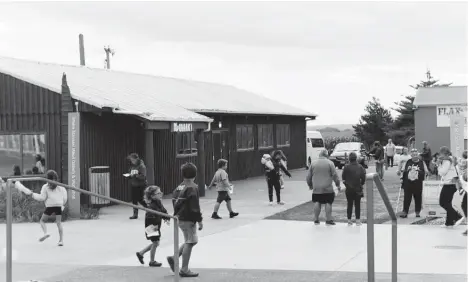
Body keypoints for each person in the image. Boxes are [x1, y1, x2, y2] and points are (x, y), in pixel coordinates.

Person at [167, 162, 203, 278]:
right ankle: (184, 269)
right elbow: (194, 206)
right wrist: (199, 220)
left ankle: (174, 257)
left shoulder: (179, 187)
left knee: (190, 240)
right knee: (191, 241)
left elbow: (173, 200)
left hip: (179, 217)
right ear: (195, 174)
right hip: (188, 218)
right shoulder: (192, 187)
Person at [17, 170, 68, 246]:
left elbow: (42, 198)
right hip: (58, 205)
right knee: (59, 223)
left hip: (50, 206)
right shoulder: (61, 186)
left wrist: (33, 194)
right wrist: (62, 205)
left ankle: (46, 233)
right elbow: (65, 198)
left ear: (47, 178)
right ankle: (61, 241)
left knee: (42, 221)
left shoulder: (46, 186)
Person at [136, 186, 169, 267]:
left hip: (155, 226)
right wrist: (157, 221)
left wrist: (166, 217)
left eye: (161, 192)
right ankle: (152, 261)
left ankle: (141, 253)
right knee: (155, 243)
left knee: (156, 243)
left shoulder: (158, 203)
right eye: (158, 193)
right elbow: (150, 217)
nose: (161, 194)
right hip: (151, 227)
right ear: (152, 196)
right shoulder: (151, 206)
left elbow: (163, 211)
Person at [306, 149, 341, 226]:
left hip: (316, 187)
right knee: (328, 202)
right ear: (326, 155)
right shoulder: (330, 163)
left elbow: (308, 176)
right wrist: (338, 184)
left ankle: (316, 219)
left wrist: (310, 185)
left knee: (317, 201)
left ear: (320, 155)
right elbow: (335, 175)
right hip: (327, 187)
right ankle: (328, 219)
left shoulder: (313, 163)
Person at [438, 147, 463, 227]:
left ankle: (457, 216)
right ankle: (449, 222)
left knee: (443, 202)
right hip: (454, 183)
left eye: (440, 153)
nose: (440, 155)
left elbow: (442, 173)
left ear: (444, 153)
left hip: (449, 183)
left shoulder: (446, 161)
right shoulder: (453, 159)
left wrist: (439, 164)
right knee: (448, 203)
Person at [399, 148, 428, 218]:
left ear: (418, 155)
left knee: (418, 198)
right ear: (411, 155)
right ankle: (405, 212)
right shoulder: (408, 162)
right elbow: (403, 170)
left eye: (416, 154)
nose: (415, 156)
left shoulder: (422, 162)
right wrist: (401, 177)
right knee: (407, 198)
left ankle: (417, 212)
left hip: (418, 183)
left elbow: (426, 171)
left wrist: (420, 172)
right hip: (408, 183)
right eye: (413, 154)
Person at [342, 152, 366, 226]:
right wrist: (361, 184)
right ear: (356, 158)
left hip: (349, 188)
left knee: (349, 204)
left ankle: (349, 220)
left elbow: (343, 178)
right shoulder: (360, 167)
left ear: (349, 158)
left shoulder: (346, 167)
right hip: (357, 188)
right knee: (357, 204)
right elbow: (363, 178)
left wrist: (346, 185)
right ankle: (358, 220)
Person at [126, 153, 148, 219]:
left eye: (132, 160)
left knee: (140, 199)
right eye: (131, 160)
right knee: (134, 200)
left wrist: (136, 176)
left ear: (136, 159)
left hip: (141, 185)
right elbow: (131, 173)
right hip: (134, 184)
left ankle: (150, 210)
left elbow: (143, 176)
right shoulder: (132, 166)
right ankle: (135, 214)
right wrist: (129, 176)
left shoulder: (142, 166)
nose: (132, 161)